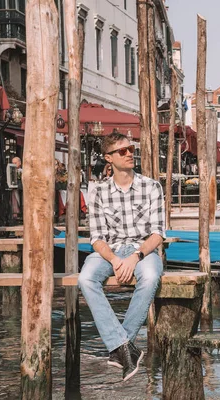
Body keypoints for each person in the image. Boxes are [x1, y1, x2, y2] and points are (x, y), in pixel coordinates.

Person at [78, 132, 165, 381]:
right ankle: (126, 348)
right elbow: (96, 238)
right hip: (110, 251)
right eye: (122, 151)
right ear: (108, 158)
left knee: (149, 277)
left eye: (130, 149)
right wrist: (116, 260)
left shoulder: (151, 186)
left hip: (142, 249)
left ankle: (120, 347)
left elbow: (158, 233)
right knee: (85, 279)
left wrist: (135, 256)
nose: (129, 154)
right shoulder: (98, 192)